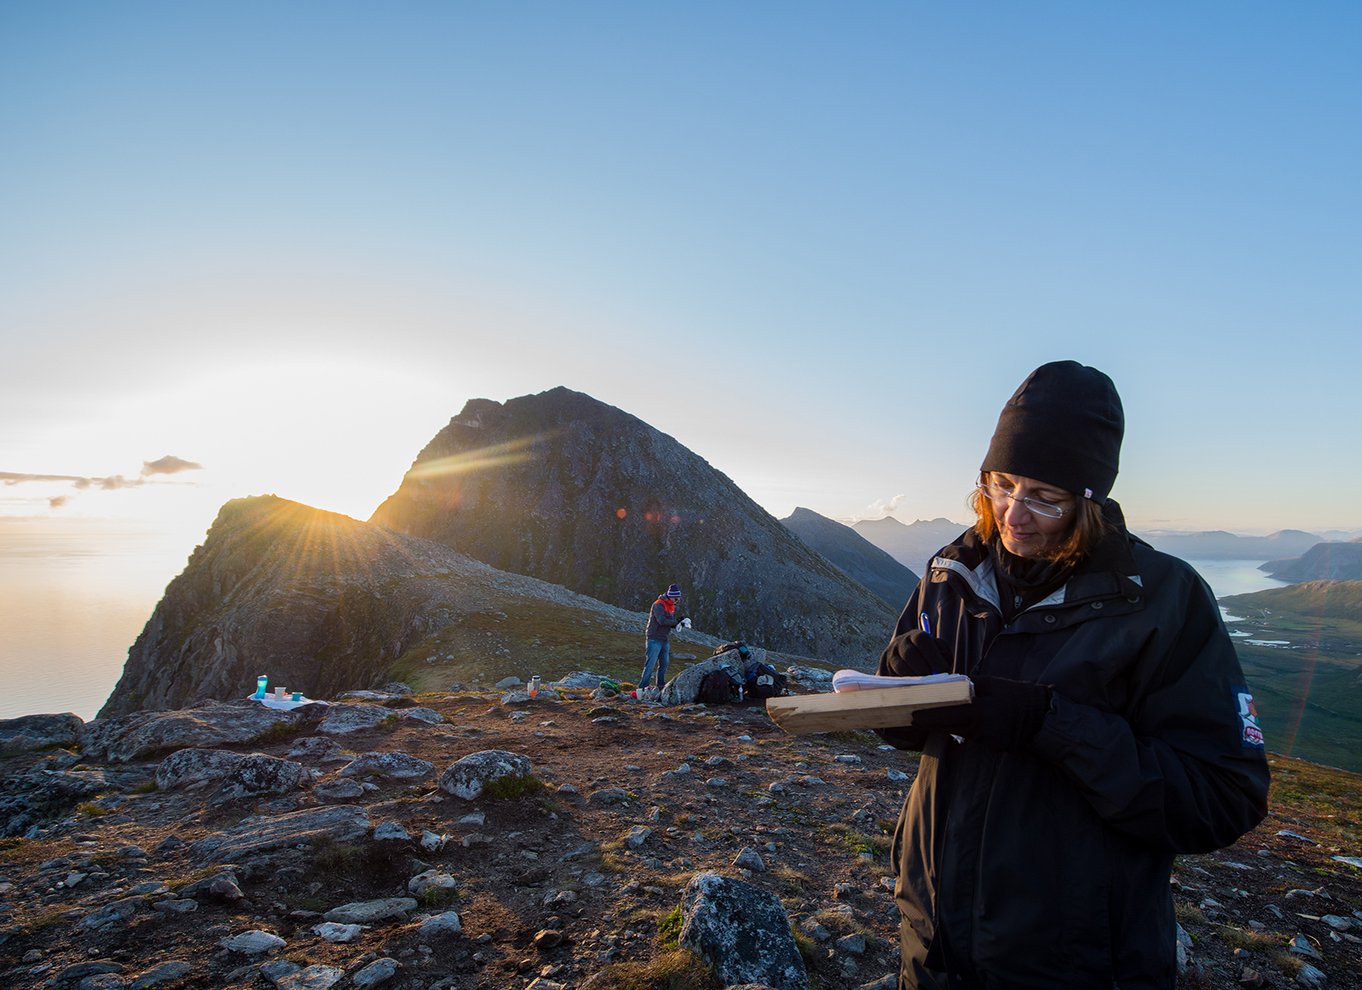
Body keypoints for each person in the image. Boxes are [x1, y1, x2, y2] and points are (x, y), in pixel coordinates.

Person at [877, 361, 1269, 990]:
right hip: (934, 942)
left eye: (1045, 497)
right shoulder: (952, 571)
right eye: (1001, 484)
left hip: (1075, 962)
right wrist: (897, 687)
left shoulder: (1164, 603)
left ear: (1089, 499)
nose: (1013, 515)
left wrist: (1048, 725)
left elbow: (1222, 797)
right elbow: (909, 733)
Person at [640, 583, 687, 689]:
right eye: (676, 598)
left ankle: (660, 685)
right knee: (650, 664)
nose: (677, 600)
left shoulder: (671, 606)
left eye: (678, 598)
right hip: (654, 638)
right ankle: (642, 688)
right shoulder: (659, 604)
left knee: (664, 664)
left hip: (664, 638)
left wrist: (680, 623)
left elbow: (670, 622)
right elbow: (661, 621)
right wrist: (676, 621)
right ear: (671, 596)